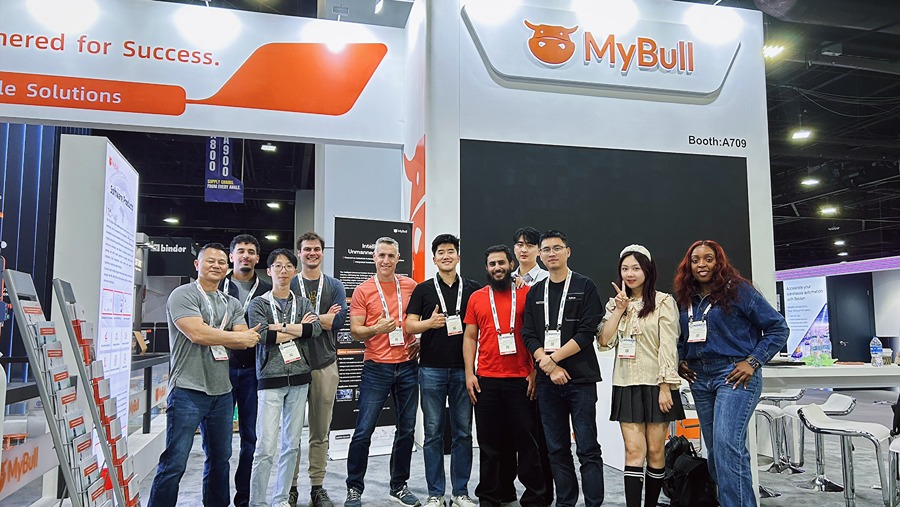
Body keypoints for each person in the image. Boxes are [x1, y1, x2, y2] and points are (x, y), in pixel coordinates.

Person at [674, 240, 789, 507]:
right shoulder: (686, 297)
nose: (702, 264)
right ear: (688, 266)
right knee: (717, 451)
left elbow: (778, 328)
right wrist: (681, 358)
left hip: (734, 374)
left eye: (708, 258)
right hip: (700, 377)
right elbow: (681, 335)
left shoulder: (739, 290)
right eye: (695, 260)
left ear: (719, 262)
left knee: (727, 446)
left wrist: (753, 361)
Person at [148, 243, 261, 507]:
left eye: (221, 262)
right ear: (197, 265)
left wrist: (236, 337)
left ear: (227, 268)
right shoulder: (183, 295)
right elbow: (197, 333)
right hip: (187, 389)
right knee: (175, 461)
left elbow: (243, 339)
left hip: (222, 392)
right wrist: (236, 337)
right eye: (210, 261)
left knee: (220, 460)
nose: (216, 266)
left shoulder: (231, 302)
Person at [597, 245, 684, 507]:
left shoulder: (663, 302)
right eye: (625, 269)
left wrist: (666, 386)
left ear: (647, 270)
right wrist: (619, 310)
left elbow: (668, 346)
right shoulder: (615, 304)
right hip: (626, 384)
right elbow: (604, 341)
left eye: (635, 268)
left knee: (656, 452)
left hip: (657, 385)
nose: (630, 274)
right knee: (634, 451)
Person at [521, 230, 604, 507]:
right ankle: (565, 502)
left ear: (568, 252)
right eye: (546, 249)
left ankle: (593, 503)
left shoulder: (585, 286)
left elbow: (587, 331)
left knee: (587, 448)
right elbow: (528, 333)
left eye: (557, 248)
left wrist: (552, 359)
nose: (551, 253)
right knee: (556, 449)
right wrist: (546, 364)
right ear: (540, 255)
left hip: (580, 380)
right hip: (547, 384)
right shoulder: (536, 292)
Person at [463, 245, 548, 507]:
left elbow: (539, 335)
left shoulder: (527, 294)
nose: (497, 268)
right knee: (490, 445)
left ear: (511, 265)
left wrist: (535, 370)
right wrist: (469, 373)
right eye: (492, 264)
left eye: (501, 263)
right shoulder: (477, 297)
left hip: (522, 380)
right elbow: (470, 337)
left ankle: (535, 498)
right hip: (486, 381)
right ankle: (492, 496)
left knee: (527, 443)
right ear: (486, 268)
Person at [345, 237, 422, 507]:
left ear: (398, 258)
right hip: (377, 367)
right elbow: (355, 331)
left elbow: (420, 321)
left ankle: (398, 486)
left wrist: (420, 341)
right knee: (363, 430)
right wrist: (376, 329)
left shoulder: (411, 286)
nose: (386, 260)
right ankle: (354, 488)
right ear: (374, 258)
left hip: (408, 366)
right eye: (381, 255)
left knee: (407, 430)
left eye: (391, 255)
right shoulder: (363, 290)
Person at [405, 234, 480, 507]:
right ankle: (435, 494)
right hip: (431, 370)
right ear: (434, 258)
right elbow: (409, 325)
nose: (446, 256)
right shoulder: (423, 289)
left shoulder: (473, 289)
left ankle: (461, 492)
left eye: (451, 251)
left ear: (458, 256)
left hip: (464, 370)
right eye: (441, 252)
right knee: (433, 433)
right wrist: (429, 323)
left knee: (463, 433)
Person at [247, 249, 321, 507]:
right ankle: (258, 502)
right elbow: (262, 335)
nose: (283, 270)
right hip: (270, 380)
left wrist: (281, 327)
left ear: (294, 271)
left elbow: (315, 329)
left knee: (291, 446)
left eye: (288, 266)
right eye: (277, 266)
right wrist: (298, 329)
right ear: (269, 271)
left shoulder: (303, 303)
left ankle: (281, 500)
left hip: (300, 379)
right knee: (265, 448)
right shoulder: (259, 304)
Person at [286, 232, 348, 507]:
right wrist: (323, 318)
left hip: (325, 363)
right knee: (291, 433)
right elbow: (284, 319)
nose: (312, 253)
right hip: (292, 366)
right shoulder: (289, 283)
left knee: (320, 431)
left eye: (316, 249)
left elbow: (339, 321)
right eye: (307, 249)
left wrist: (305, 321)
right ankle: (290, 487)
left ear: (323, 253)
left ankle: (317, 487)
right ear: (299, 253)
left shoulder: (334, 285)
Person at [221, 234, 272, 507]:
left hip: (254, 371)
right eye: (241, 251)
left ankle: (244, 498)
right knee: (219, 442)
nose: (246, 256)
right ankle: (217, 499)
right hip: (221, 370)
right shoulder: (217, 286)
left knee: (251, 439)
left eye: (251, 252)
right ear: (232, 256)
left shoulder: (267, 290)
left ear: (257, 258)